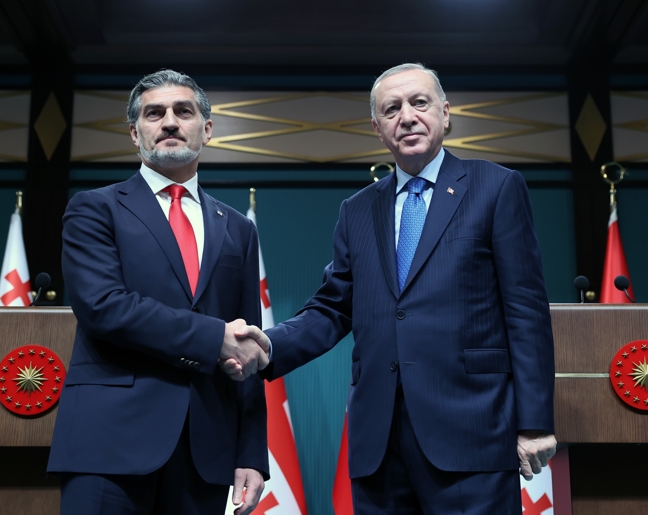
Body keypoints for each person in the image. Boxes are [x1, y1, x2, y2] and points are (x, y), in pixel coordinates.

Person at [228, 63, 557, 514]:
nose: (407, 117)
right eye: (391, 109)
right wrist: (268, 346)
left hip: (473, 433)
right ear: (378, 128)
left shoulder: (496, 187)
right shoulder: (358, 209)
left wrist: (535, 422)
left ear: (445, 112)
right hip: (379, 445)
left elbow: (526, 309)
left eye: (419, 103)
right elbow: (332, 307)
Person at [47, 69, 269, 515]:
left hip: (206, 451)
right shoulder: (94, 208)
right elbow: (103, 307)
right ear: (135, 133)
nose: (169, 122)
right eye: (154, 113)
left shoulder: (238, 229)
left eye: (183, 111)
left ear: (206, 129)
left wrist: (250, 453)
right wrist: (213, 338)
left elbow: (246, 348)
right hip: (108, 445)